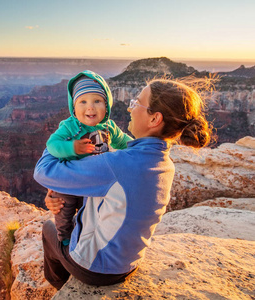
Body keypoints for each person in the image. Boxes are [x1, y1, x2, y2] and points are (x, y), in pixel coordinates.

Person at [34, 77, 213, 289]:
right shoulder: (164, 164)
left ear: (154, 119)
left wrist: (59, 142)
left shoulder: (116, 165)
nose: (130, 109)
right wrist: (62, 188)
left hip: (95, 268)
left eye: (137, 103)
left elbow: (43, 171)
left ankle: (60, 286)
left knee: (48, 229)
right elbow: (117, 193)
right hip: (128, 262)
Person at [46, 70, 132, 246]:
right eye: (83, 102)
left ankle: (95, 235)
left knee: (97, 211)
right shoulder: (70, 127)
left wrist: (140, 148)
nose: (90, 107)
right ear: (74, 108)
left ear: (107, 105)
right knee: (64, 206)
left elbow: (124, 141)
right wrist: (72, 148)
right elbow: (52, 144)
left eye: (97, 101)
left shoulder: (109, 126)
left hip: (96, 181)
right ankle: (64, 237)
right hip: (71, 181)